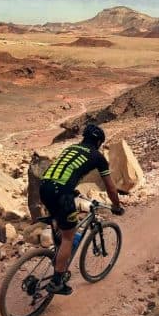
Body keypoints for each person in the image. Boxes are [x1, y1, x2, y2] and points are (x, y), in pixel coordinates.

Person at [39, 124, 124, 295]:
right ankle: (57, 282)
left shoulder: (72, 148)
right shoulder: (98, 157)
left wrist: (72, 190)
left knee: (60, 224)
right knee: (69, 237)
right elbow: (110, 188)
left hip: (44, 187)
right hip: (61, 193)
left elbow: (65, 171)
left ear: (84, 138)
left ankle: (58, 257)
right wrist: (116, 206)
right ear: (99, 142)